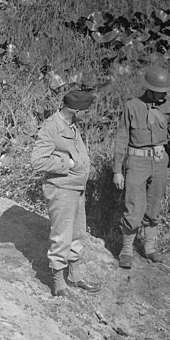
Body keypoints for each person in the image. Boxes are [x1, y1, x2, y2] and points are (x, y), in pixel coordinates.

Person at [113, 66, 170, 268]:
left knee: (154, 207)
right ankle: (127, 250)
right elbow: (122, 137)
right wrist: (117, 170)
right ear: (149, 89)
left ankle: (149, 248)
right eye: (159, 91)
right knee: (134, 207)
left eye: (165, 91)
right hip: (136, 162)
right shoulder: (132, 106)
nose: (163, 95)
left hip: (159, 162)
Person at [31, 90, 102, 297]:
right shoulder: (51, 127)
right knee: (61, 236)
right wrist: (66, 163)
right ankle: (59, 283)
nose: (88, 115)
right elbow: (37, 161)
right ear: (76, 110)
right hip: (61, 189)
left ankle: (75, 276)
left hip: (76, 188)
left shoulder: (71, 125)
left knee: (77, 233)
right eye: (86, 111)